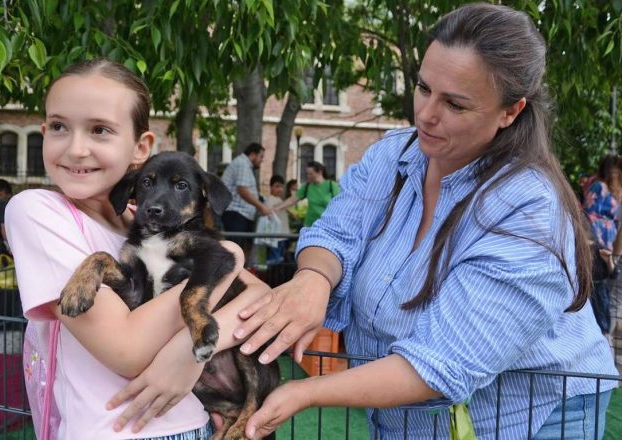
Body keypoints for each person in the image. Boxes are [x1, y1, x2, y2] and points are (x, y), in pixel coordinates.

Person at [232, 4, 617, 440]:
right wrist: (313, 279)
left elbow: (440, 364)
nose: (426, 115)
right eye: (423, 88)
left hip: (530, 414)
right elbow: (336, 233)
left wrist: (305, 393)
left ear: (510, 112)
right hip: (413, 418)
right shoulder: (393, 154)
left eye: (455, 104)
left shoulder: (529, 212)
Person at [4, 58, 270, 439]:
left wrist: (188, 355)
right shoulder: (36, 211)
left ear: (140, 147)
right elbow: (127, 351)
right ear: (44, 132)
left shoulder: (140, 223)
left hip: (195, 422)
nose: (76, 149)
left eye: (99, 130)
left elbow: (258, 294)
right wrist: (229, 261)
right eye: (59, 127)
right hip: (115, 430)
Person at [582, 154, 621, 335]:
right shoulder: (599, 186)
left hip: (605, 246)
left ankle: (603, 333)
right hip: (597, 246)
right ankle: (601, 334)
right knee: (599, 293)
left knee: (604, 292)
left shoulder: (608, 188)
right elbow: (588, 214)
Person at [221, 143, 272, 263]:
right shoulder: (242, 164)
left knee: (242, 250)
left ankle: (240, 272)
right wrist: (261, 207)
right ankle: (234, 274)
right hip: (236, 214)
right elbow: (242, 190)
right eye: (261, 156)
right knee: (235, 252)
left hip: (241, 215)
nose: (262, 160)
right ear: (253, 154)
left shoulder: (245, 165)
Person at [273, 161, 340, 228]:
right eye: (307, 174)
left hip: (327, 225)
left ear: (320, 172)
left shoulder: (332, 185)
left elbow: (340, 205)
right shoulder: (307, 186)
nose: (308, 176)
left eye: (311, 174)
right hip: (310, 225)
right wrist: (277, 208)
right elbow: (292, 200)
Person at [262, 175, 290, 264]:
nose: (280, 189)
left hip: (282, 235)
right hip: (275, 237)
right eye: (277, 186)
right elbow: (269, 216)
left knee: (280, 260)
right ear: (271, 187)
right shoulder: (269, 200)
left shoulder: (279, 200)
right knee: (274, 261)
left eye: (281, 187)